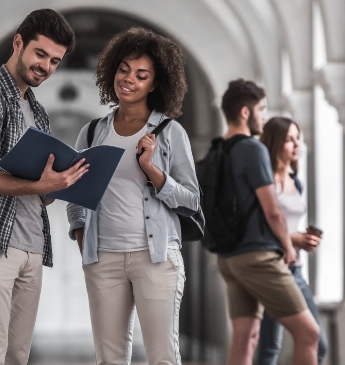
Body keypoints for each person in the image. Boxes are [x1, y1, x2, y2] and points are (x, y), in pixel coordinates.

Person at [0, 9, 86, 365]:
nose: (46, 66)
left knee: (16, 356)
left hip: (31, 245)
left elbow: (35, 189)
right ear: (18, 43)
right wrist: (41, 184)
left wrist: (60, 185)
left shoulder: (38, 111)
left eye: (55, 61)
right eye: (40, 54)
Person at [66, 28, 199, 365]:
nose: (129, 80)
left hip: (155, 259)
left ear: (155, 84)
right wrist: (81, 235)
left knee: (162, 356)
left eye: (141, 75)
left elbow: (191, 200)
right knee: (109, 358)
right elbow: (76, 192)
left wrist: (153, 170)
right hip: (103, 260)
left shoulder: (170, 132)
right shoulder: (94, 131)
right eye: (124, 69)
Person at [216, 79, 320, 365]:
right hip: (259, 255)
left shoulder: (219, 150)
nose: (264, 115)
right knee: (309, 333)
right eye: (261, 109)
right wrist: (288, 247)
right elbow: (272, 209)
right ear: (246, 112)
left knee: (245, 338)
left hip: (228, 257)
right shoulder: (253, 149)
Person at [257, 117, 329, 364]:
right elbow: (257, 229)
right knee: (269, 347)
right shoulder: (262, 182)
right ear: (275, 142)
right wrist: (293, 239)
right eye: (289, 139)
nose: (296, 144)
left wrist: (303, 240)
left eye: (298, 138)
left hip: (295, 269)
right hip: (269, 267)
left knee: (319, 344)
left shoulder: (295, 181)